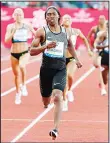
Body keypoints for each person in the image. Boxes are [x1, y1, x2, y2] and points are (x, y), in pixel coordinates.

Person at [29, 6, 82, 140]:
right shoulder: (42, 32)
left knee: (58, 96)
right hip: (46, 70)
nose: (50, 17)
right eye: (48, 15)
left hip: (60, 68)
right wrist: (45, 46)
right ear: (45, 17)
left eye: (53, 14)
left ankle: (55, 129)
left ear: (59, 16)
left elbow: (70, 45)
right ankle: (46, 103)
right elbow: (31, 51)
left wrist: (76, 59)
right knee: (46, 100)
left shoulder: (65, 32)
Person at [61, 14, 93, 111]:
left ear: (71, 21)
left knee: (70, 75)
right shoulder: (58, 31)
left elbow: (84, 39)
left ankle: (70, 90)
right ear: (62, 21)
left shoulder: (76, 31)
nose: (67, 19)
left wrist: (89, 50)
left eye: (68, 18)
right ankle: (64, 100)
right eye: (65, 18)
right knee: (63, 79)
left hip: (72, 58)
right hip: (61, 58)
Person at [5, 8, 35, 104]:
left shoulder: (27, 25)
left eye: (20, 14)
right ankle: (18, 93)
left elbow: (36, 35)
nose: (18, 16)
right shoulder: (10, 26)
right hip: (14, 53)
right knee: (16, 75)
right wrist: (13, 33)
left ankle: (24, 85)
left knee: (22, 66)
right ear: (14, 16)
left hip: (24, 52)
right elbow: (6, 40)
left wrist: (35, 44)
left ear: (23, 16)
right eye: (16, 14)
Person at [87, 15, 107, 95]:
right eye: (100, 18)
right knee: (96, 65)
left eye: (103, 19)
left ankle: (103, 88)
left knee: (101, 67)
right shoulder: (94, 28)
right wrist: (90, 48)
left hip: (105, 51)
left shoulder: (107, 29)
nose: (101, 20)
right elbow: (88, 37)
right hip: (96, 50)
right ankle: (103, 80)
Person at [94, 21, 109, 94]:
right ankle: (103, 85)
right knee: (104, 78)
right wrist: (106, 46)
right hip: (105, 55)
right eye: (108, 25)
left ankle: (103, 88)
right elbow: (97, 45)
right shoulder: (103, 34)